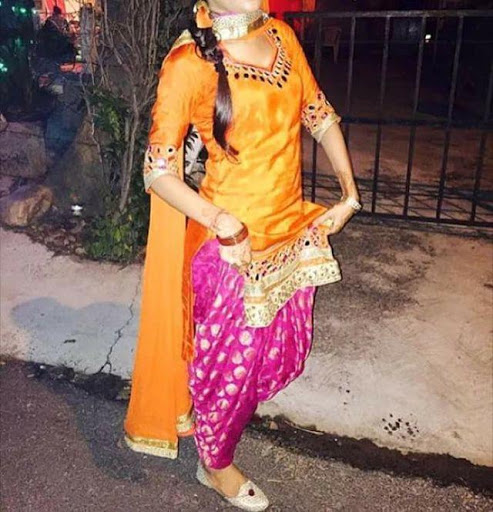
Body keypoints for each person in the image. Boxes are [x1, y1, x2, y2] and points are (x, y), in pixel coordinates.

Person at [124, 1, 361, 510]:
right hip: (231, 252)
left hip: (290, 234)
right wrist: (220, 222)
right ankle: (216, 464)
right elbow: (157, 171)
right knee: (231, 372)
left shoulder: (281, 36)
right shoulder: (188, 62)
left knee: (279, 356)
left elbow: (318, 115)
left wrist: (349, 193)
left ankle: (212, 408)